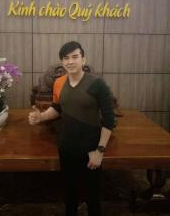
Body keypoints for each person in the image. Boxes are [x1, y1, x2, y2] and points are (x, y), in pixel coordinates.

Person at [28, 41, 115, 216]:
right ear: (62, 62)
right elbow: (57, 109)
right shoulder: (59, 83)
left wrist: (100, 150)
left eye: (75, 57)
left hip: (91, 149)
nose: (70, 61)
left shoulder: (98, 84)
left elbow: (109, 120)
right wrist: (41, 117)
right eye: (66, 58)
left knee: (92, 196)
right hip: (66, 146)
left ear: (84, 59)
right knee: (69, 194)